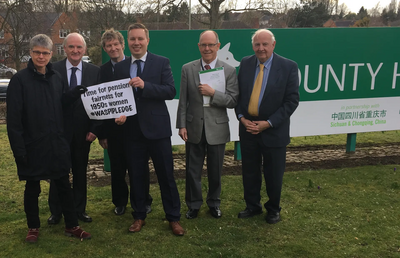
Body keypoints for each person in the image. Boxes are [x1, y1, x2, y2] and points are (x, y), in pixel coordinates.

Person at [6, 34, 91, 243]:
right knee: (32, 188)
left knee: (64, 185)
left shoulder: (56, 77)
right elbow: (14, 121)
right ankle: (33, 227)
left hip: (56, 144)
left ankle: (72, 225)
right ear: (31, 53)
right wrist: (19, 151)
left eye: (45, 53)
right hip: (32, 145)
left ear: (51, 54)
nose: (41, 56)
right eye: (37, 52)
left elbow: (61, 103)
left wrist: (73, 94)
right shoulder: (19, 81)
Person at [114, 23, 184, 236]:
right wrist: (119, 115)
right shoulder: (121, 66)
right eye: (132, 39)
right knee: (136, 176)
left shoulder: (161, 62)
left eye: (140, 39)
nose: (136, 43)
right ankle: (139, 216)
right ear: (128, 41)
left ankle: (173, 218)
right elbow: (118, 97)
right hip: (131, 131)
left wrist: (145, 86)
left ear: (147, 40)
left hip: (158, 130)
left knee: (166, 176)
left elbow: (170, 91)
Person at [235, 29, 299, 224]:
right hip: (248, 128)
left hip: (273, 130)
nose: (260, 48)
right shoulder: (246, 63)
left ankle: (273, 209)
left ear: (273, 44)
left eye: (265, 44)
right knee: (250, 171)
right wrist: (241, 117)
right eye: (257, 44)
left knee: (273, 173)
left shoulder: (288, 67)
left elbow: (291, 101)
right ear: (253, 46)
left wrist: (268, 123)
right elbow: (239, 95)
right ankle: (252, 206)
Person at [176, 30, 239, 219]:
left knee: (215, 171)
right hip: (194, 127)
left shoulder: (229, 70)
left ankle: (214, 203)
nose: (207, 48)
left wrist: (213, 94)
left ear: (218, 46)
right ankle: (193, 205)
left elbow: (233, 100)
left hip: (217, 128)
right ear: (198, 47)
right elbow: (183, 101)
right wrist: (181, 125)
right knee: (192, 170)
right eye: (203, 45)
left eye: (211, 45)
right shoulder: (188, 69)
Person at [48, 32, 101, 224]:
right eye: (71, 47)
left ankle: (79, 210)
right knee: (57, 173)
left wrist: (95, 129)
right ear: (64, 49)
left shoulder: (95, 72)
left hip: (83, 133)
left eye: (79, 47)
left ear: (84, 49)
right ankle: (56, 211)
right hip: (59, 133)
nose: (75, 51)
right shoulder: (52, 69)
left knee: (80, 172)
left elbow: (99, 103)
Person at [98, 28, 152, 216]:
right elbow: (101, 103)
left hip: (137, 127)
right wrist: (102, 133)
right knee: (118, 167)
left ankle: (145, 200)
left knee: (140, 167)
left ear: (122, 44)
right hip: (113, 130)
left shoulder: (135, 65)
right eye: (108, 45)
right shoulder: (102, 71)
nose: (113, 48)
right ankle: (120, 201)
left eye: (115, 44)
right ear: (105, 49)